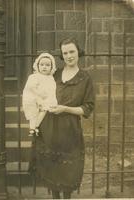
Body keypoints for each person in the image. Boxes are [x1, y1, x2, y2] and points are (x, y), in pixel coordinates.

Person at [29, 38, 95, 199]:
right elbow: (37, 94)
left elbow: (87, 107)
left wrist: (65, 109)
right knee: (52, 169)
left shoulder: (85, 78)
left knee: (67, 172)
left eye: (72, 51)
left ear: (78, 52)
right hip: (49, 128)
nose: (69, 56)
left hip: (69, 130)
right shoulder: (54, 74)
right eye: (65, 53)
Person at [22, 53, 57, 136]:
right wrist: (39, 96)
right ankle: (31, 128)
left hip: (45, 98)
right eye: (42, 65)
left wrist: (47, 98)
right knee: (33, 112)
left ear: (51, 67)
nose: (44, 67)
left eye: (47, 65)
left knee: (44, 110)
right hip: (34, 97)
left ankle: (36, 126)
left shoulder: (50, 78)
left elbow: (52, 89)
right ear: (37, 66)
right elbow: (31, 88)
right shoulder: (34, 76)